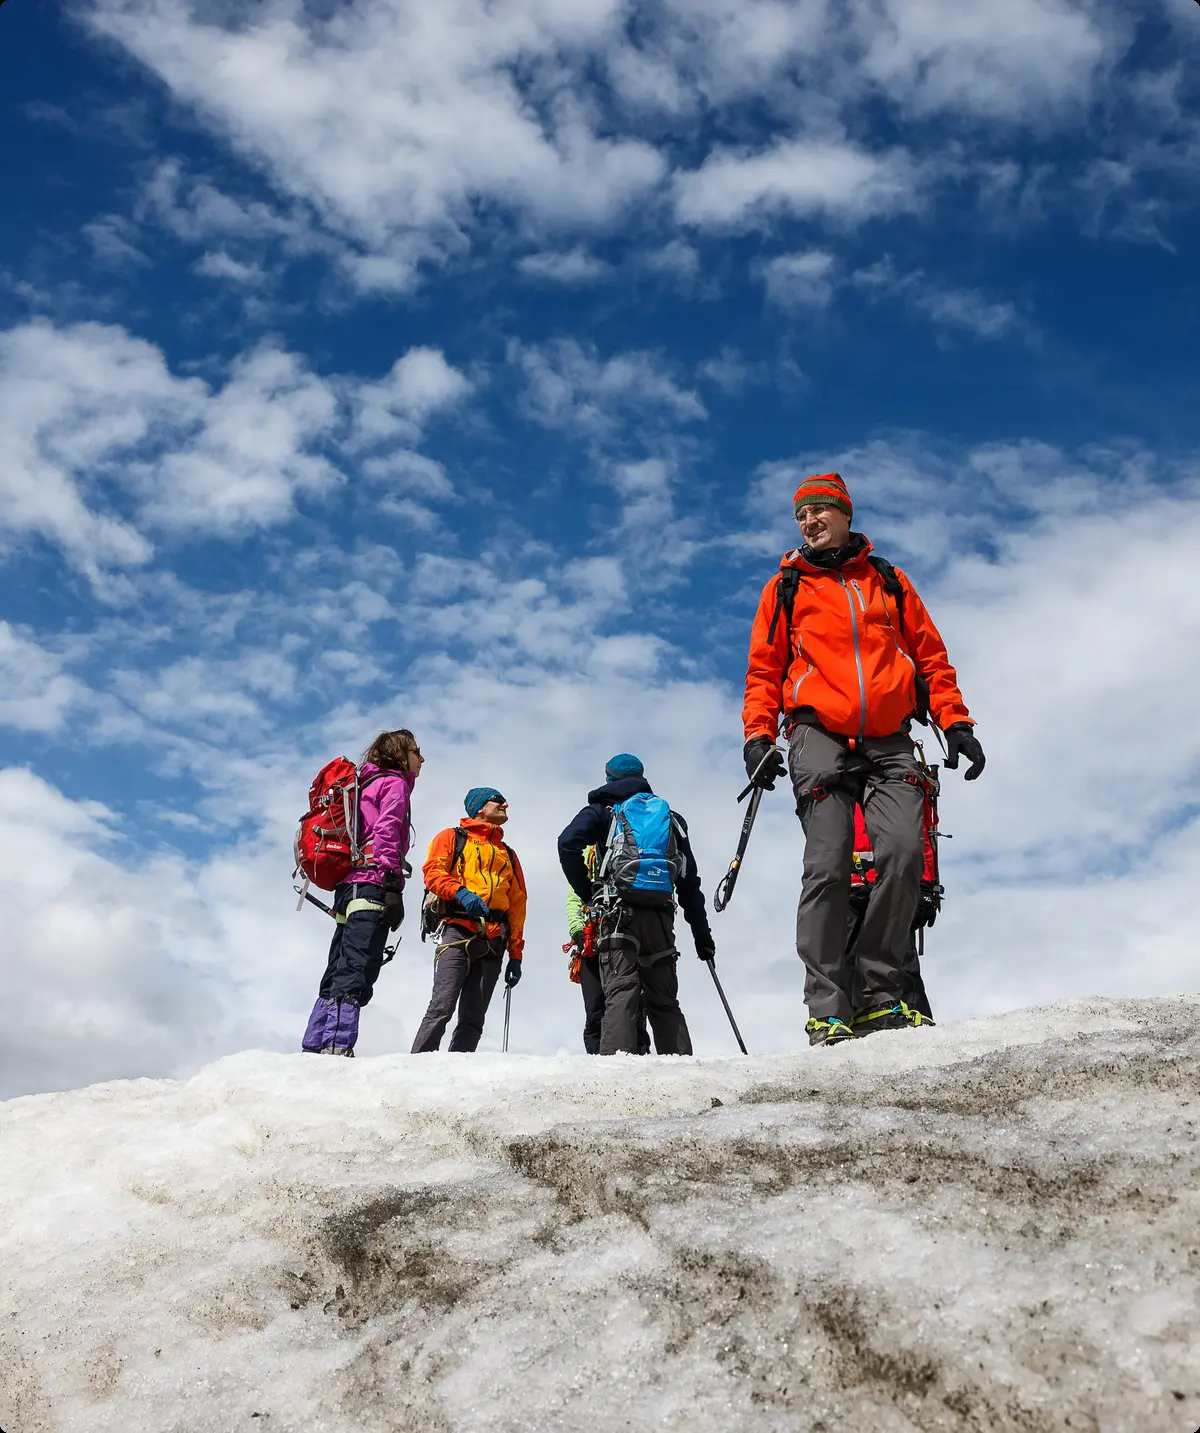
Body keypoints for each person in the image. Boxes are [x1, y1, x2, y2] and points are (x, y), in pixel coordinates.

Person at [741, 472, 984, 1046]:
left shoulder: (888, 581)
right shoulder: (785, 587)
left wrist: (956, 720)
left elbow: (930, 656)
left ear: (845, 514)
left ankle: (880, 992)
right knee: (827, 868)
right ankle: (826, 1006)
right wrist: (757, 737)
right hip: (817, 734)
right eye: (801, 514)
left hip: (890, 736)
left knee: (902, 855)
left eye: (820, 510)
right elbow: (764, 670)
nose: (809, 521)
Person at [558, 754, 714, 1056]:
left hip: (617, 913)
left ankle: (617, 1077)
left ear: (609, 779)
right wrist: (702, 936)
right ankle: (679, 1071)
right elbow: (689, 881)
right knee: (665, 1000)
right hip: (660, 917)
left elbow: (567, 843)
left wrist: (588, 892)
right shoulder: (671, 818)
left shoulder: (603, 811)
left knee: (621, 991)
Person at [301, 729, 423, 1056]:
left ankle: (316, 1043)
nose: (421, 759)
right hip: (371, 881)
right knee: (358, 964)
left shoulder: (363, 785)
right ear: (401, 754)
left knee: (340, 960)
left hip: (346, 885)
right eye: (416, 751)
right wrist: (392, 886)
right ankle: (337, 1045)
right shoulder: (394, 784)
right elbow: (386, 833)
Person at [410, 787, 527, 1053]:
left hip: (494, 938)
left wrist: (516, 954)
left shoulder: (508, 853)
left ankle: (456, 1074)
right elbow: (433, 872)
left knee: (474, 1018)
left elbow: (518, 904)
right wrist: (460, 893)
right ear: (479, 807)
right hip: (457, 929)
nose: (505, 804)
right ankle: (416, 1068)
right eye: (498, 800)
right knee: (441, 1006)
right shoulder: (452, 837)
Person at [565, 848, 649, 1055]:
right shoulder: (589, 853)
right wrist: (578, 932)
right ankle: (603, 1067)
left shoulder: (593, 852)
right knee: (599, 1010)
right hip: (595, 938)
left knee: (629, 1007)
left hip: (606, 937)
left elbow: (574, 899)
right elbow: (574, 899)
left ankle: (623, 1062)